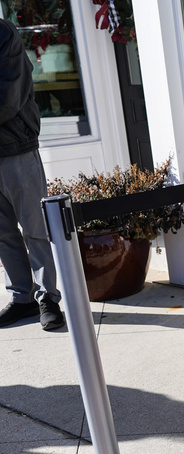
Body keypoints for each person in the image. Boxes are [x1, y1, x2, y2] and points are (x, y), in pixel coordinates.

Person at [0, 16, 64, 330]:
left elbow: (8, 99)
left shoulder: (3, 34)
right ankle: (22, 298)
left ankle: (48, 298)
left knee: (36, 229)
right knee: (3, 235)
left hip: (16, 149)